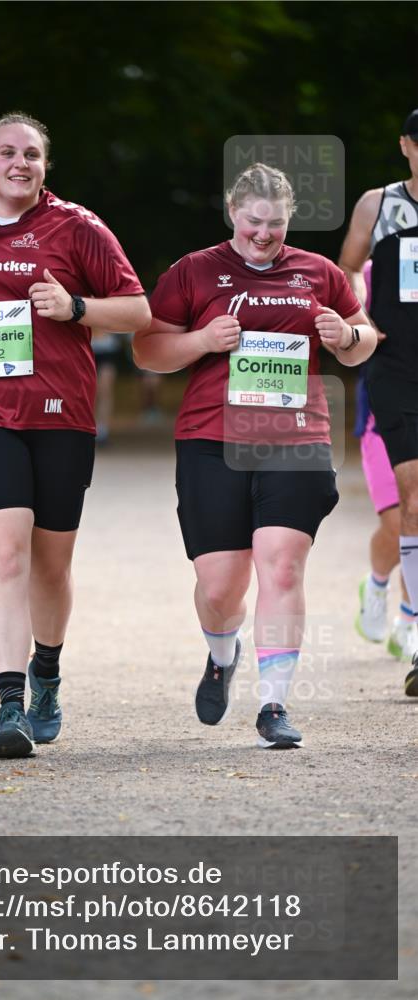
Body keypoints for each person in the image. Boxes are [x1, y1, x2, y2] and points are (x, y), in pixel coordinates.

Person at [0, 112, 149, 759]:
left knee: (50, 563)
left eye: (32, 155)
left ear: (45, 166)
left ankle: (47, 670)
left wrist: (75, 308)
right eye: (7, 153)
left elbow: (137, 309)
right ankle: (9, 706)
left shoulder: (77, 228)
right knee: (6, 554)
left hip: (60, 412)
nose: (20, 163)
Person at [134, 162, 375, 748]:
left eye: (276, 224)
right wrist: (201, 341)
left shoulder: (318, 273)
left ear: (289, 220)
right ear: (232, 213)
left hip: (297, 437)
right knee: (220, 588)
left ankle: (274, 705)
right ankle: (222, 654)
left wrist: (345, 337)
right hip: (211, 439)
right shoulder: (195, 270)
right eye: (253, 221)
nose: (264, 234)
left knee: (282, 563)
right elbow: (148, 350)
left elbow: (362, 338)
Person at [338, 109, 418, 697]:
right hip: (395, 369)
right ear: (406, 146)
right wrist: (361, 316)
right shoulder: (378, 204)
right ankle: (405, 617)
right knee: (408, 503)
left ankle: (410, 620)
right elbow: (345, 273)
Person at [354, 263, 417, 661]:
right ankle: (377, 585)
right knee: (398, 521)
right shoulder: (381, 267)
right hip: (387, 414)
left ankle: (408, 623)